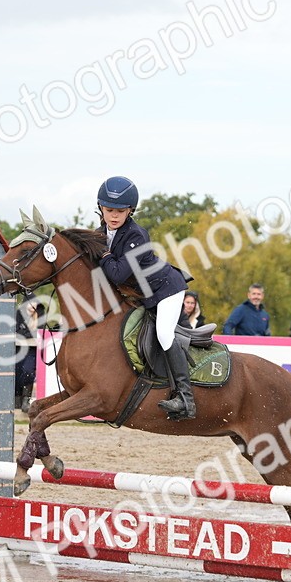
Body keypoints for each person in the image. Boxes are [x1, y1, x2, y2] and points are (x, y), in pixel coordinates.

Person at [96, 175, 195, 421]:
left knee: (164, 333)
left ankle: (186, 397)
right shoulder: (100, 233)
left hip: (166, 289)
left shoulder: (136, 235)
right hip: (143, 294)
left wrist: (105, 255)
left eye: (121, 211)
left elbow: (117, 274)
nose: (114, 216)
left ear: (130, 211)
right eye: (109, 210)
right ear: (101, 208)